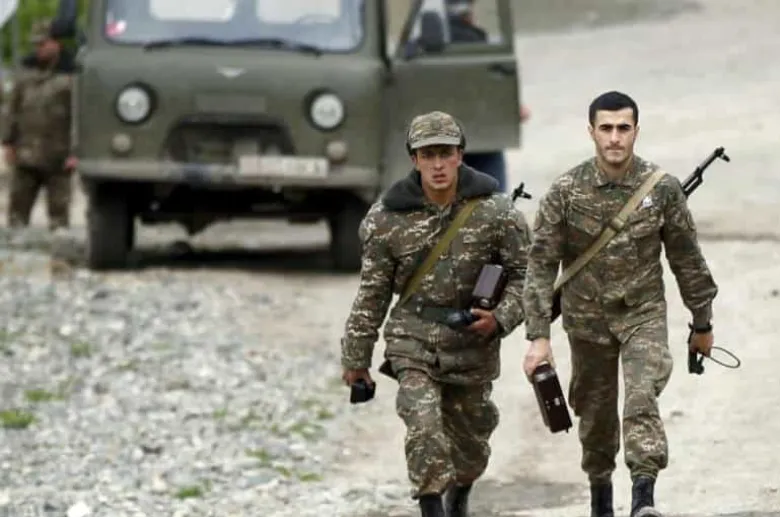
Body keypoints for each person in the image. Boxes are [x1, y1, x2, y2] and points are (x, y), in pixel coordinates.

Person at [521, 91, 718, 517]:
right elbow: (540, 266)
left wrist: (702, 323)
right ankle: (601, 497)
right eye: (606, 128)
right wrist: (538, 337)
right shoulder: (565, 192)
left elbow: (687, 261)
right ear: (591, 132)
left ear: (636, 132)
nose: (614, 138)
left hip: (642, 315)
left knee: (641, 396)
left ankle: (644, 497)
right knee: (595, 415)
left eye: (623, 128)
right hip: (586, 322)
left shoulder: (661, 189)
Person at [340, 110, 531, 517]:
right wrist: (356, 359)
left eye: (446, 153)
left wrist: (501, 318)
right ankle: (431, 505)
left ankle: (459, 492)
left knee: (472, 444)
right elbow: (372, 294)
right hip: (413, 337)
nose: (438, 164)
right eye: (428, 155)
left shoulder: (497, 213)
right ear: (414, 159)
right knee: (423, 427)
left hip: (472, 343)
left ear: (460, 155)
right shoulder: (385, 219)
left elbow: (525, 277)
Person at [404, 0, 531, 193]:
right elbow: (489, 84)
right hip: (480, 140)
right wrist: (514, 108)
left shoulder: (415, 47)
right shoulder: (474, 41)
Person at [1, 19, 78, 231]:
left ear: (56, 43)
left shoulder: (72, 74)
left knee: (59, 217)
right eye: (36, 44)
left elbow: (80, 116)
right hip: (25, 154)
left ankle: (58, 245)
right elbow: (12, 108)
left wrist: (76, 152)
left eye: (43, 43)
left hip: (59, 156)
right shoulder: (26, 71)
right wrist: (8, 142)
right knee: (16, 215)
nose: (38, 49)